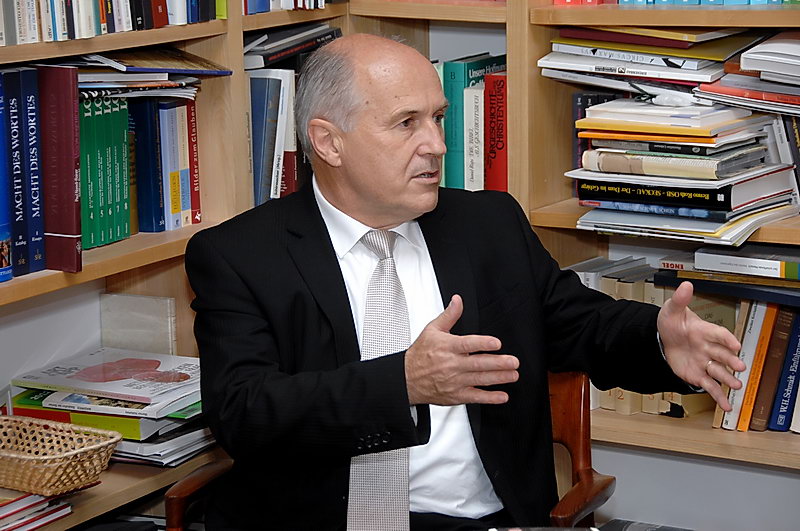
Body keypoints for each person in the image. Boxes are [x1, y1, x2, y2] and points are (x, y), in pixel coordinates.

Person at [185, 34, 745, 530]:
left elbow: (579, 323)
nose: (437, 144)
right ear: (329, 142)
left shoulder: (487, 225)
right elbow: (243, 413)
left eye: (438, 117)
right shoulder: (240, 256)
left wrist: (657, 340)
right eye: (407, 123)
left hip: (483, 519)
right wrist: (401, 384)